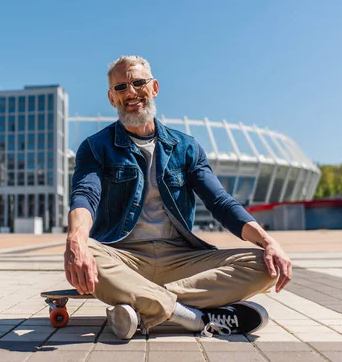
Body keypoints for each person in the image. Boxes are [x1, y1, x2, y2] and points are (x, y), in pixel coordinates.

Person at [65, 55, 293, 340]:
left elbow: (220, 203)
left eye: (138, 83)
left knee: (265, 265)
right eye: (121, 87)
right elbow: (85, 195)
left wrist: (268, 241)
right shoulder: (95, 147)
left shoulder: (185, 148)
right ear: (112, 98)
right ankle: (195, 318)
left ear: (155, 87)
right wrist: (76, 240)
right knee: (89, 252)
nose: (131, 92)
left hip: (182, 260)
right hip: (124, 257)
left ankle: (145, 306)